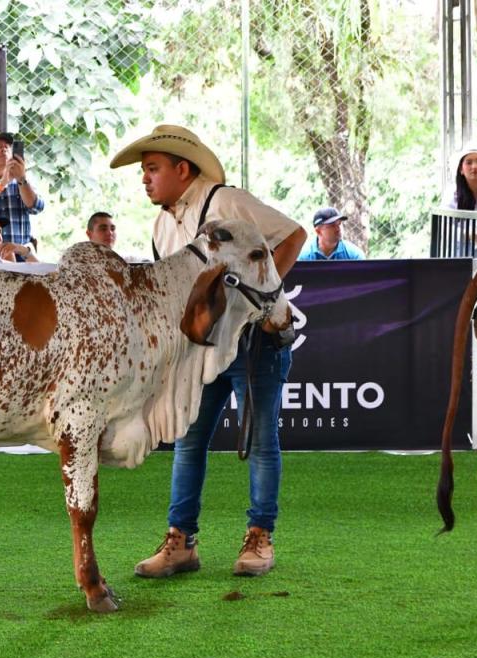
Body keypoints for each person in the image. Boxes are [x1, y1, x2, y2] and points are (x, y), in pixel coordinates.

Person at [110, 124, 306, 578]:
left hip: (255, 340)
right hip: (201, 350)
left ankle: (260, 537)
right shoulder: (162, 225)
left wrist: (266, 295)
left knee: (260, 441)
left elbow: (293, 235)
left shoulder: (226, 202)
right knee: (189, 440)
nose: (145, 179)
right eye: (144, 171)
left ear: (183, 169)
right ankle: (181, 542)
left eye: (152, 169)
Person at [298, 207, 365, 261]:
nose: (338, 229)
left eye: (339, 224)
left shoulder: (354, 256)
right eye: (332, 225)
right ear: (318, 231)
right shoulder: (303, 257)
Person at [86, 211, 151, 263]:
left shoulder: (123, 261)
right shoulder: (81, 262)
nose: (110, 233)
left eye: (113, 229)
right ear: (89, 234)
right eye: (103, 229)